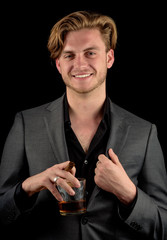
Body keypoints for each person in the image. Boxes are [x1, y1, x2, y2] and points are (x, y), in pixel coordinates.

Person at [0, 10, 167, 240]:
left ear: (109, 58)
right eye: (69, 55)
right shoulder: (25, 124)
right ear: (59, 64)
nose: (79, 64)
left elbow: (163, 226)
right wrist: (29, 186)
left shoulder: (145, 132)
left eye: (90, 53)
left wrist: (128, 193)